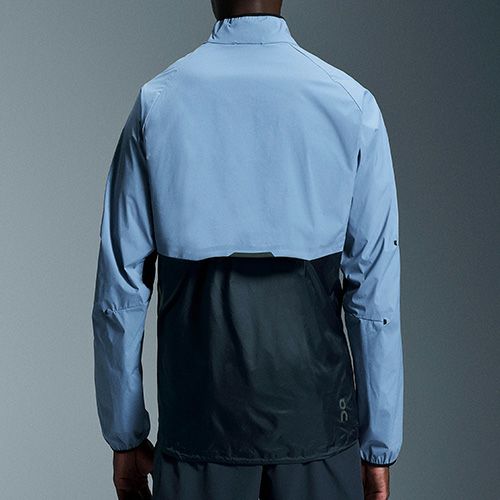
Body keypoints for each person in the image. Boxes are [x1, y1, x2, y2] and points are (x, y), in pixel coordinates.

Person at [91, 1, 404, 499]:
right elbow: (374, 296)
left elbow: (120, 293)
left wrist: (125, 436)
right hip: (318, 430)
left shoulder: (158, 103)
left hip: (199, 429)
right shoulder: (351, 105)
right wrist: (378, 445)